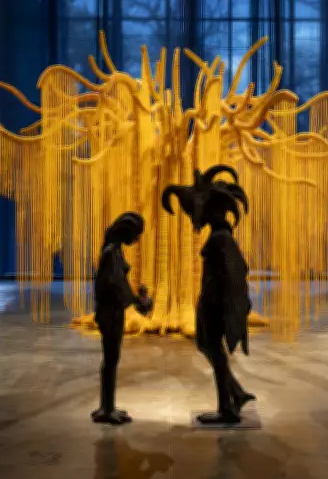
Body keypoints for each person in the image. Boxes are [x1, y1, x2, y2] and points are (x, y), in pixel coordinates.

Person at [161, 165, 255, 424]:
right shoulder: (220, 236)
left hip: (214, 306)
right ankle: (236, 394)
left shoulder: (220, 239)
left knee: (214, 350)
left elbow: (233, 274)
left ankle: (227, 407)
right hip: (210, 304)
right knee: (207, 346)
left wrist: (223, 306)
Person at [91, 212, 153, 425]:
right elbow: (113, 285)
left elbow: (119, 284)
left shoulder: (114, 251)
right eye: (135, 234)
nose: (136, 240)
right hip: (110, 313)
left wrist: (135, 299)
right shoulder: (111, 253)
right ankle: (106, 409)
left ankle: (107, 406)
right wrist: (136, 301)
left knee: (111, 359)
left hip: (112, 311)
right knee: (111, 359)